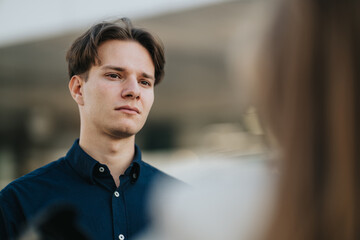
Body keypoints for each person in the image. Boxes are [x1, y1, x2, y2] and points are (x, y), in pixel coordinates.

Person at [0, 18, 179, 240]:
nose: (133, 91)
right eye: (114, 75)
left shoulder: (181, 203)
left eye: (145, 82)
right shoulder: (18, 203)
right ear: (78, 89)